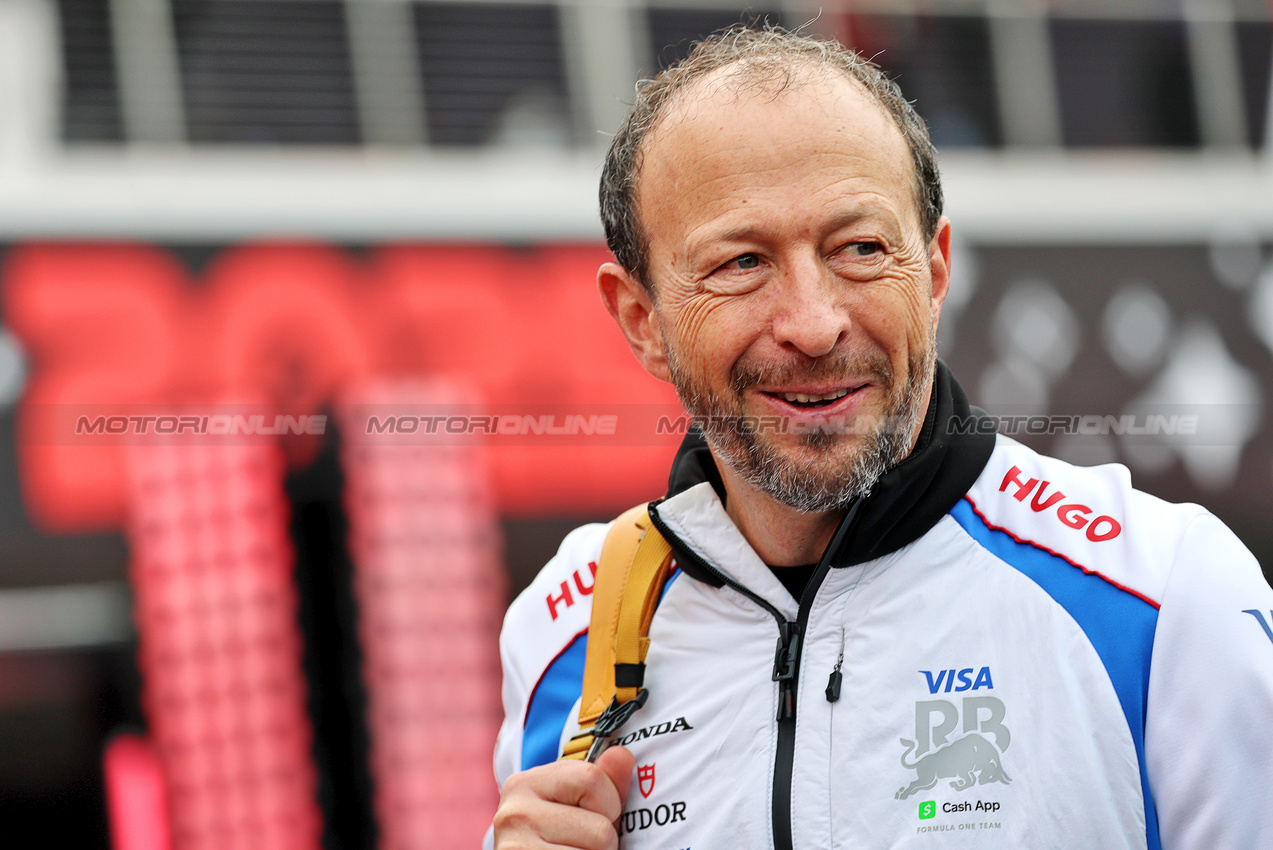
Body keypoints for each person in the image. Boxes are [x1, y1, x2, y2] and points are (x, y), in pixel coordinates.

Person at [487, 25, 1273, 850]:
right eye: (740, 263)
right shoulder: (561, 629)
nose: (815, 325)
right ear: (641, 321)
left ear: (933, 273)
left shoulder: (1161, 596)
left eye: (859, 249)